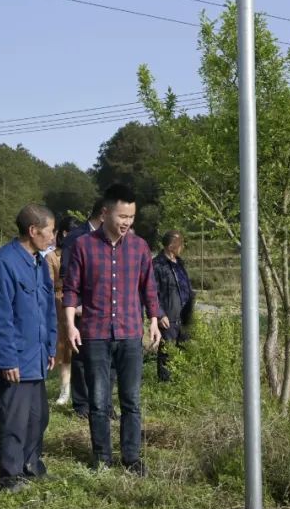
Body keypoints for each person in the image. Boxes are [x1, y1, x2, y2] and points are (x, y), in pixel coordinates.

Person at [62, 185, 162, 475]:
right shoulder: (83, 245)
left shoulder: (140, 246)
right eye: (122, 215)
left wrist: (154, 320)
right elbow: (71, 290)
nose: (127, 222)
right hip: (94, 334)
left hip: (130, 332)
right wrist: (70, 325)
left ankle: (131, 457)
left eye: (131, 216)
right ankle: (102, 457)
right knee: (98, 400)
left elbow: (149, 287)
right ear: (105, 213)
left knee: (131, 400)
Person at [0, 204, 58, 493]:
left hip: (37, 356)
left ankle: (31, 465)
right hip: (15, 359)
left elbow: (49, 309)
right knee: (13, 419)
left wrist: (50, 345)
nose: (52, 237)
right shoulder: (4, 262)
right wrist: (6, 359)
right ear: (33, 230)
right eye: (49, 231)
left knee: (38, 417)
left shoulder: (39, 262)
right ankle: (10, 476)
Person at [60, 200, 102, 418]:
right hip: (82, 309)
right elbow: (66, 275)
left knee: (104, 359)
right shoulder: (76, 237)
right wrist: (75, 305)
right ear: (105, 214)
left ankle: (102, 403)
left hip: (103, 309)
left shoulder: (110, 238)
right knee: (80, 357)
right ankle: (82, 405)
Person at [152, 230, 195, 382]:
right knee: (167, 354)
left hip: (184, 317)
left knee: (184, 351)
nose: (182, 247)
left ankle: (181, 384)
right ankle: (166, 386)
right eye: (180, 244)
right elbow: (152, 293)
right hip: (168, 318)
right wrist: (159, 314)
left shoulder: (180, 263)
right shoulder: (157, 265)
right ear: (171, 246)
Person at [49, 216, 78, 405]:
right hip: (61, 302)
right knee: (65, 349)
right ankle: (65, 391)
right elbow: (49, 283)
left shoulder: (85, 252)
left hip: (83, 304)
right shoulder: (52, 256)